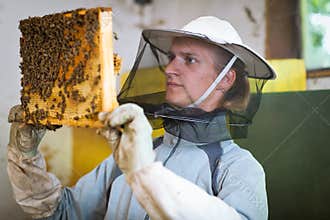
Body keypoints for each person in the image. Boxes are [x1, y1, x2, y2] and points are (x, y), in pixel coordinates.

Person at [7, 16, 276, 220]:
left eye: (190, 60)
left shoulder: (237, 168)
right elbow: (64, 213)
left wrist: (143, 172)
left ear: (225, 79)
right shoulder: (129, 154)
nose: (170, 69)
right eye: (171, 57)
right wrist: (25, 157)